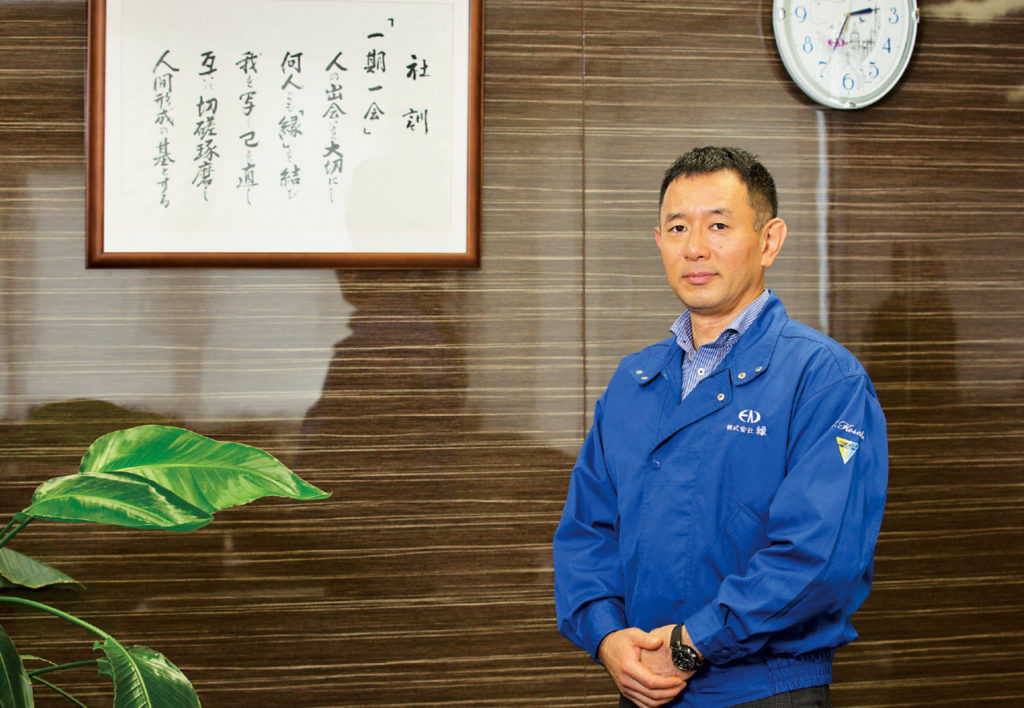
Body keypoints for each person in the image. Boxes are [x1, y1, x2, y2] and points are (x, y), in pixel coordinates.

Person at [553, 146, 888, 707]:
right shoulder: (633, 381)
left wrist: (691, 646)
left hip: (765, 691)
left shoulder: (825, 379)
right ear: (659, 240)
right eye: (677, 227)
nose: (695, 248)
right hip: (644, 686)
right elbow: (586, 533)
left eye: (719, 225)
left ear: (769, 240)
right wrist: (606, 637)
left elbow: (819, 557)